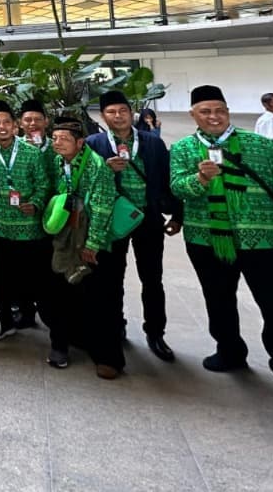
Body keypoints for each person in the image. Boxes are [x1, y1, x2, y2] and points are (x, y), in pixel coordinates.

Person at [170, 85, 273, 401]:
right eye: (205, 111)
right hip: (207, 240)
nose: (213, 117)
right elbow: (178, 189)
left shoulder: (260, 146)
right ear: (192, 115)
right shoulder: (182, 149)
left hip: (268, 240)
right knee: (218, 300)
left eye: (219, 110)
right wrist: (201, 180)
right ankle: (229, 350)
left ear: (228, 111)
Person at [87, 91, 183, 362]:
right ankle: (115, 325)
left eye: (122, 111)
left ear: (131, 113)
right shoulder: (95, 143)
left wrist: (177, 215)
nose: (117, 116)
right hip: (112, 221)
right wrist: (105, 169)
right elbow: (85, 181)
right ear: (103, 116)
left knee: (152, 278)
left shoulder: (152, 143)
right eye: (111, 112)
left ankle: (155, 332)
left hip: (148, 218)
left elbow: (167, 179)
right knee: (110, 278)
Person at [45, 117, 118, 377]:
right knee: (60, 294)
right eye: (54, 139)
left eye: (64, 139)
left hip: (88, 238)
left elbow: (102, 207)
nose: (58, 144)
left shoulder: (97, 166)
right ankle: (60, 345)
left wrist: (93, 243)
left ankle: (106, 356)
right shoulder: (56, 162)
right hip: (64, 237)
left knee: (97, 297)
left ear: (80, 142)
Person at [0, 100, 50, 341]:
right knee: (3, 277)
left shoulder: (32, 152)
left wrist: (36, 203)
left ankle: (30, 314)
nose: (2, 126)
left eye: (7, 121)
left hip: (29, 228)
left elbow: (44, 184)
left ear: (15, 125)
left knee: (30, 276)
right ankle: (4, 320)